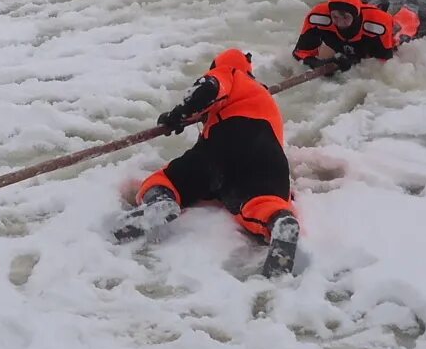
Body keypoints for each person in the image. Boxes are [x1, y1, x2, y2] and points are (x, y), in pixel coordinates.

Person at [116, 49, 302, 278]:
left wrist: (180, 114)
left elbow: (210, 87)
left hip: (224, 142)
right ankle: (279, 220)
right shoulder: (265, 99)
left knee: (169, 180)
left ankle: (161, 201)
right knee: (261, 201)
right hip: (269, 156)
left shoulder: (231, 73)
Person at [291, 0, 420, 74]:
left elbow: (383, 61)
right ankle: (374, 4)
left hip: (371, 33)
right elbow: (300, 53)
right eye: (335, 17)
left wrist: (355, 60)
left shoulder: (379, 25)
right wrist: (318, 64)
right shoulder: (317, 17)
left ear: (355, 15)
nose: (340, 23)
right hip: (346, 39)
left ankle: (410, 6)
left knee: (401, 35)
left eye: (345, 17)